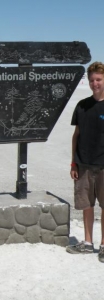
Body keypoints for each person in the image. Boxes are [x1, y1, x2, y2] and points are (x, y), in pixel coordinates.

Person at [66, 61, 104, 262]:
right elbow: (76, 136)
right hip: (84, 164)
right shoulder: (82, 106)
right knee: (87, 205)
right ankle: (88, 243)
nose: (94, 83)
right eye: (91, 80)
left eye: (98, 79)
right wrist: (74, 163)